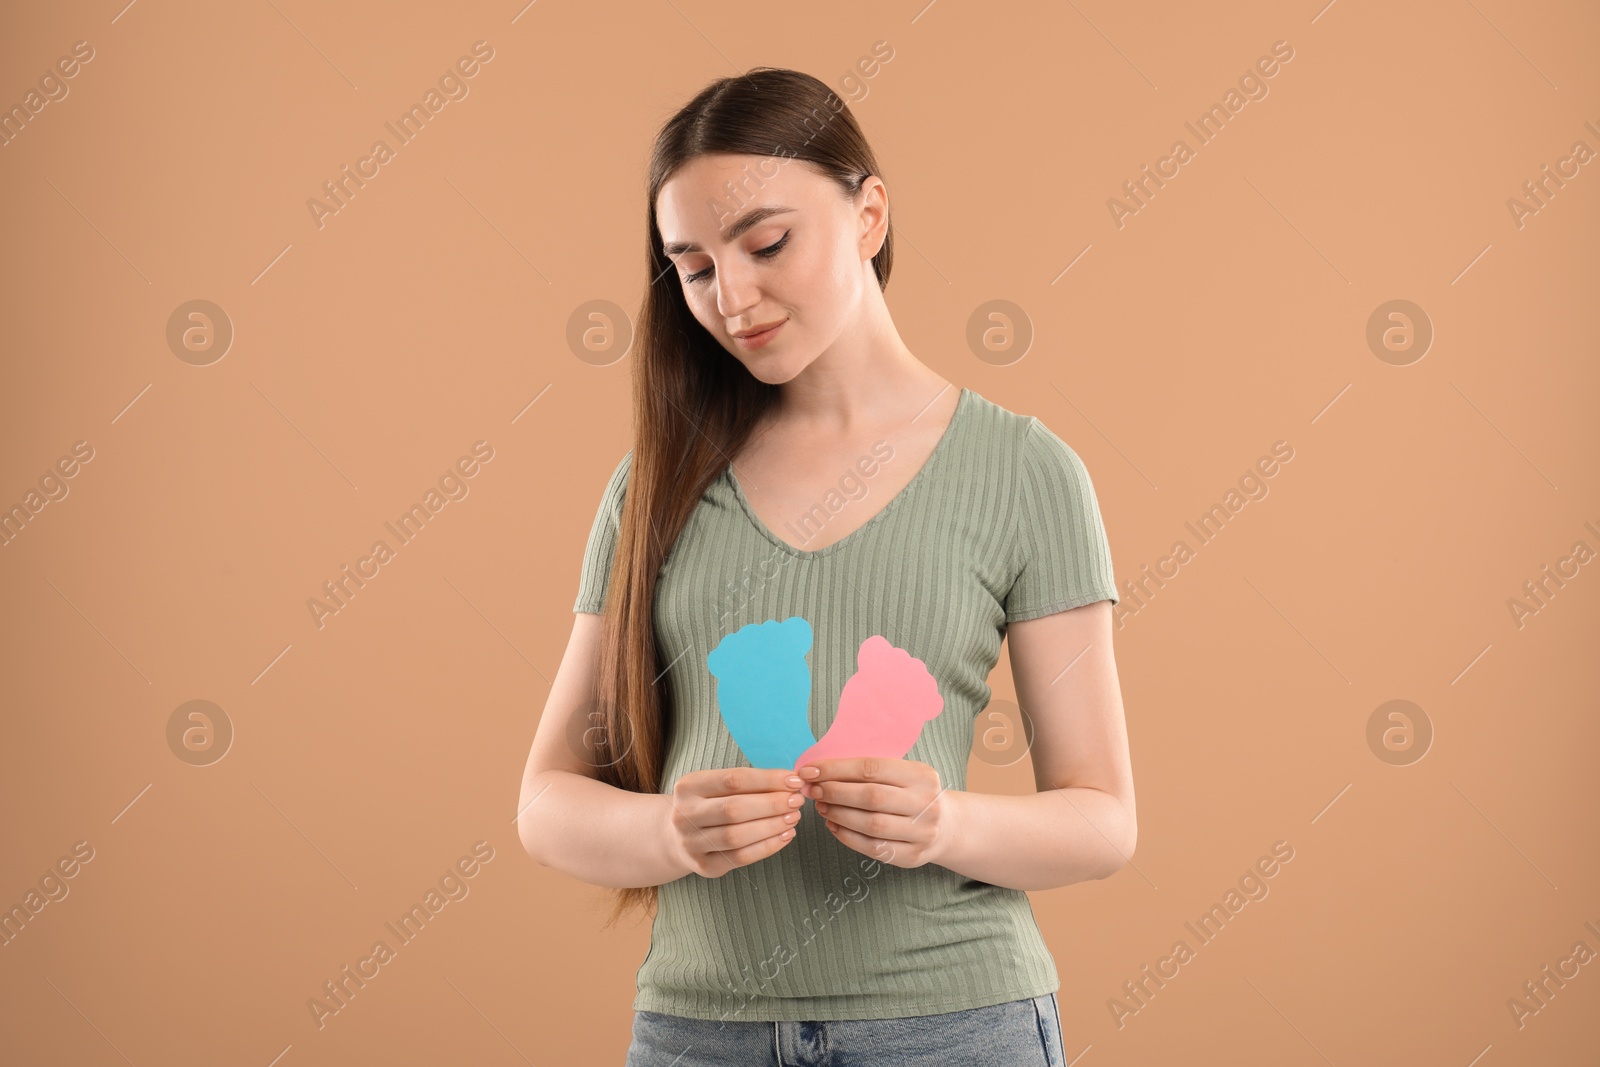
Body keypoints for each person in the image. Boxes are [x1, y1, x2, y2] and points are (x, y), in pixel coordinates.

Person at [516, 67, 1136, 1067]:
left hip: (953, 1027)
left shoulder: (1025, 472)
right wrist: (671, 831)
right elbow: (546, 800)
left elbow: (1102, 818)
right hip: (698, 1031)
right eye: (695, 267)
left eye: (766, 243)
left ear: (869, 214)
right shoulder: (653, 488)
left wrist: (942, 819)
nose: (733, 296)